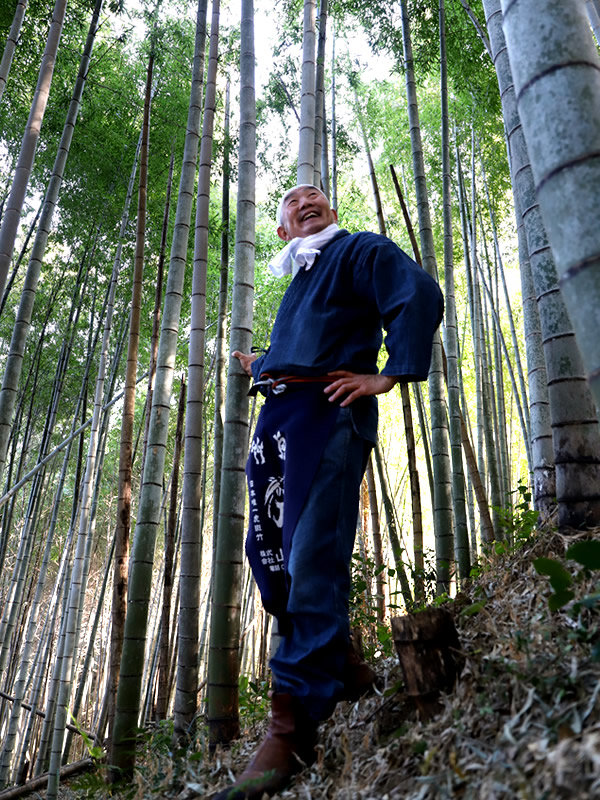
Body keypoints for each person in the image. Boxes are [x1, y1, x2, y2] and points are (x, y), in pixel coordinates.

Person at [213, 184, 444, 800]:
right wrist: (256, 364)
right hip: (280, 422)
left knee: (313, 550)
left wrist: (388, 375)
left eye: (314, 195)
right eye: (291, 202)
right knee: (277, 559)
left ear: (331, 214)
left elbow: (416, 292)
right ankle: (339, 668)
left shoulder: (356, 251)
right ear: (284, 230)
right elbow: (301, 347)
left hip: (326, 412)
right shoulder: (299, 280)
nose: (305, 200)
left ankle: (292, 725)